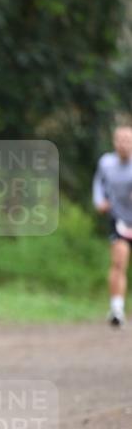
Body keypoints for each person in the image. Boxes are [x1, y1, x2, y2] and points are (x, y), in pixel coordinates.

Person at [92, 124, 132, 326]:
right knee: (119, 262)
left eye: (128, 140)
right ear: (114, 142)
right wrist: (99, 202)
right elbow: (99, 183)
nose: (124, 144)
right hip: (120, 220)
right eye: (120, 140)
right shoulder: (106, 163)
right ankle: (117, 310)